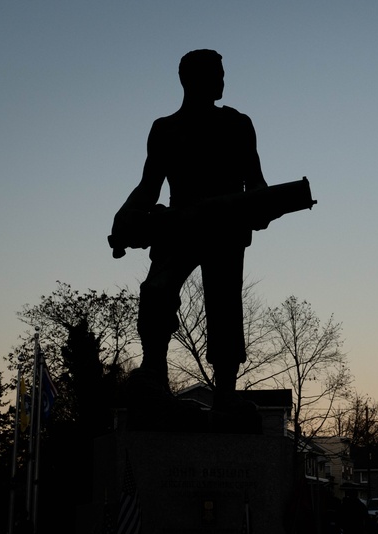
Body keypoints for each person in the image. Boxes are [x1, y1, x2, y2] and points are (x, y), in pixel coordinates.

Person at [113, 49, 268, 411]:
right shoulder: (166, 129)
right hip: (178, 226)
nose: (223, 80)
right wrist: (125, 214)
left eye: (223, 73)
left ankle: (226, 394)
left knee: (225, 303)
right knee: (155, 290)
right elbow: (148, 187)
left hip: (225, 228)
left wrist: (260, 205)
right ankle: (153, 373)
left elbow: (256, 180)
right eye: (217, 74)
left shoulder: (237, 124)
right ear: (191, 80)